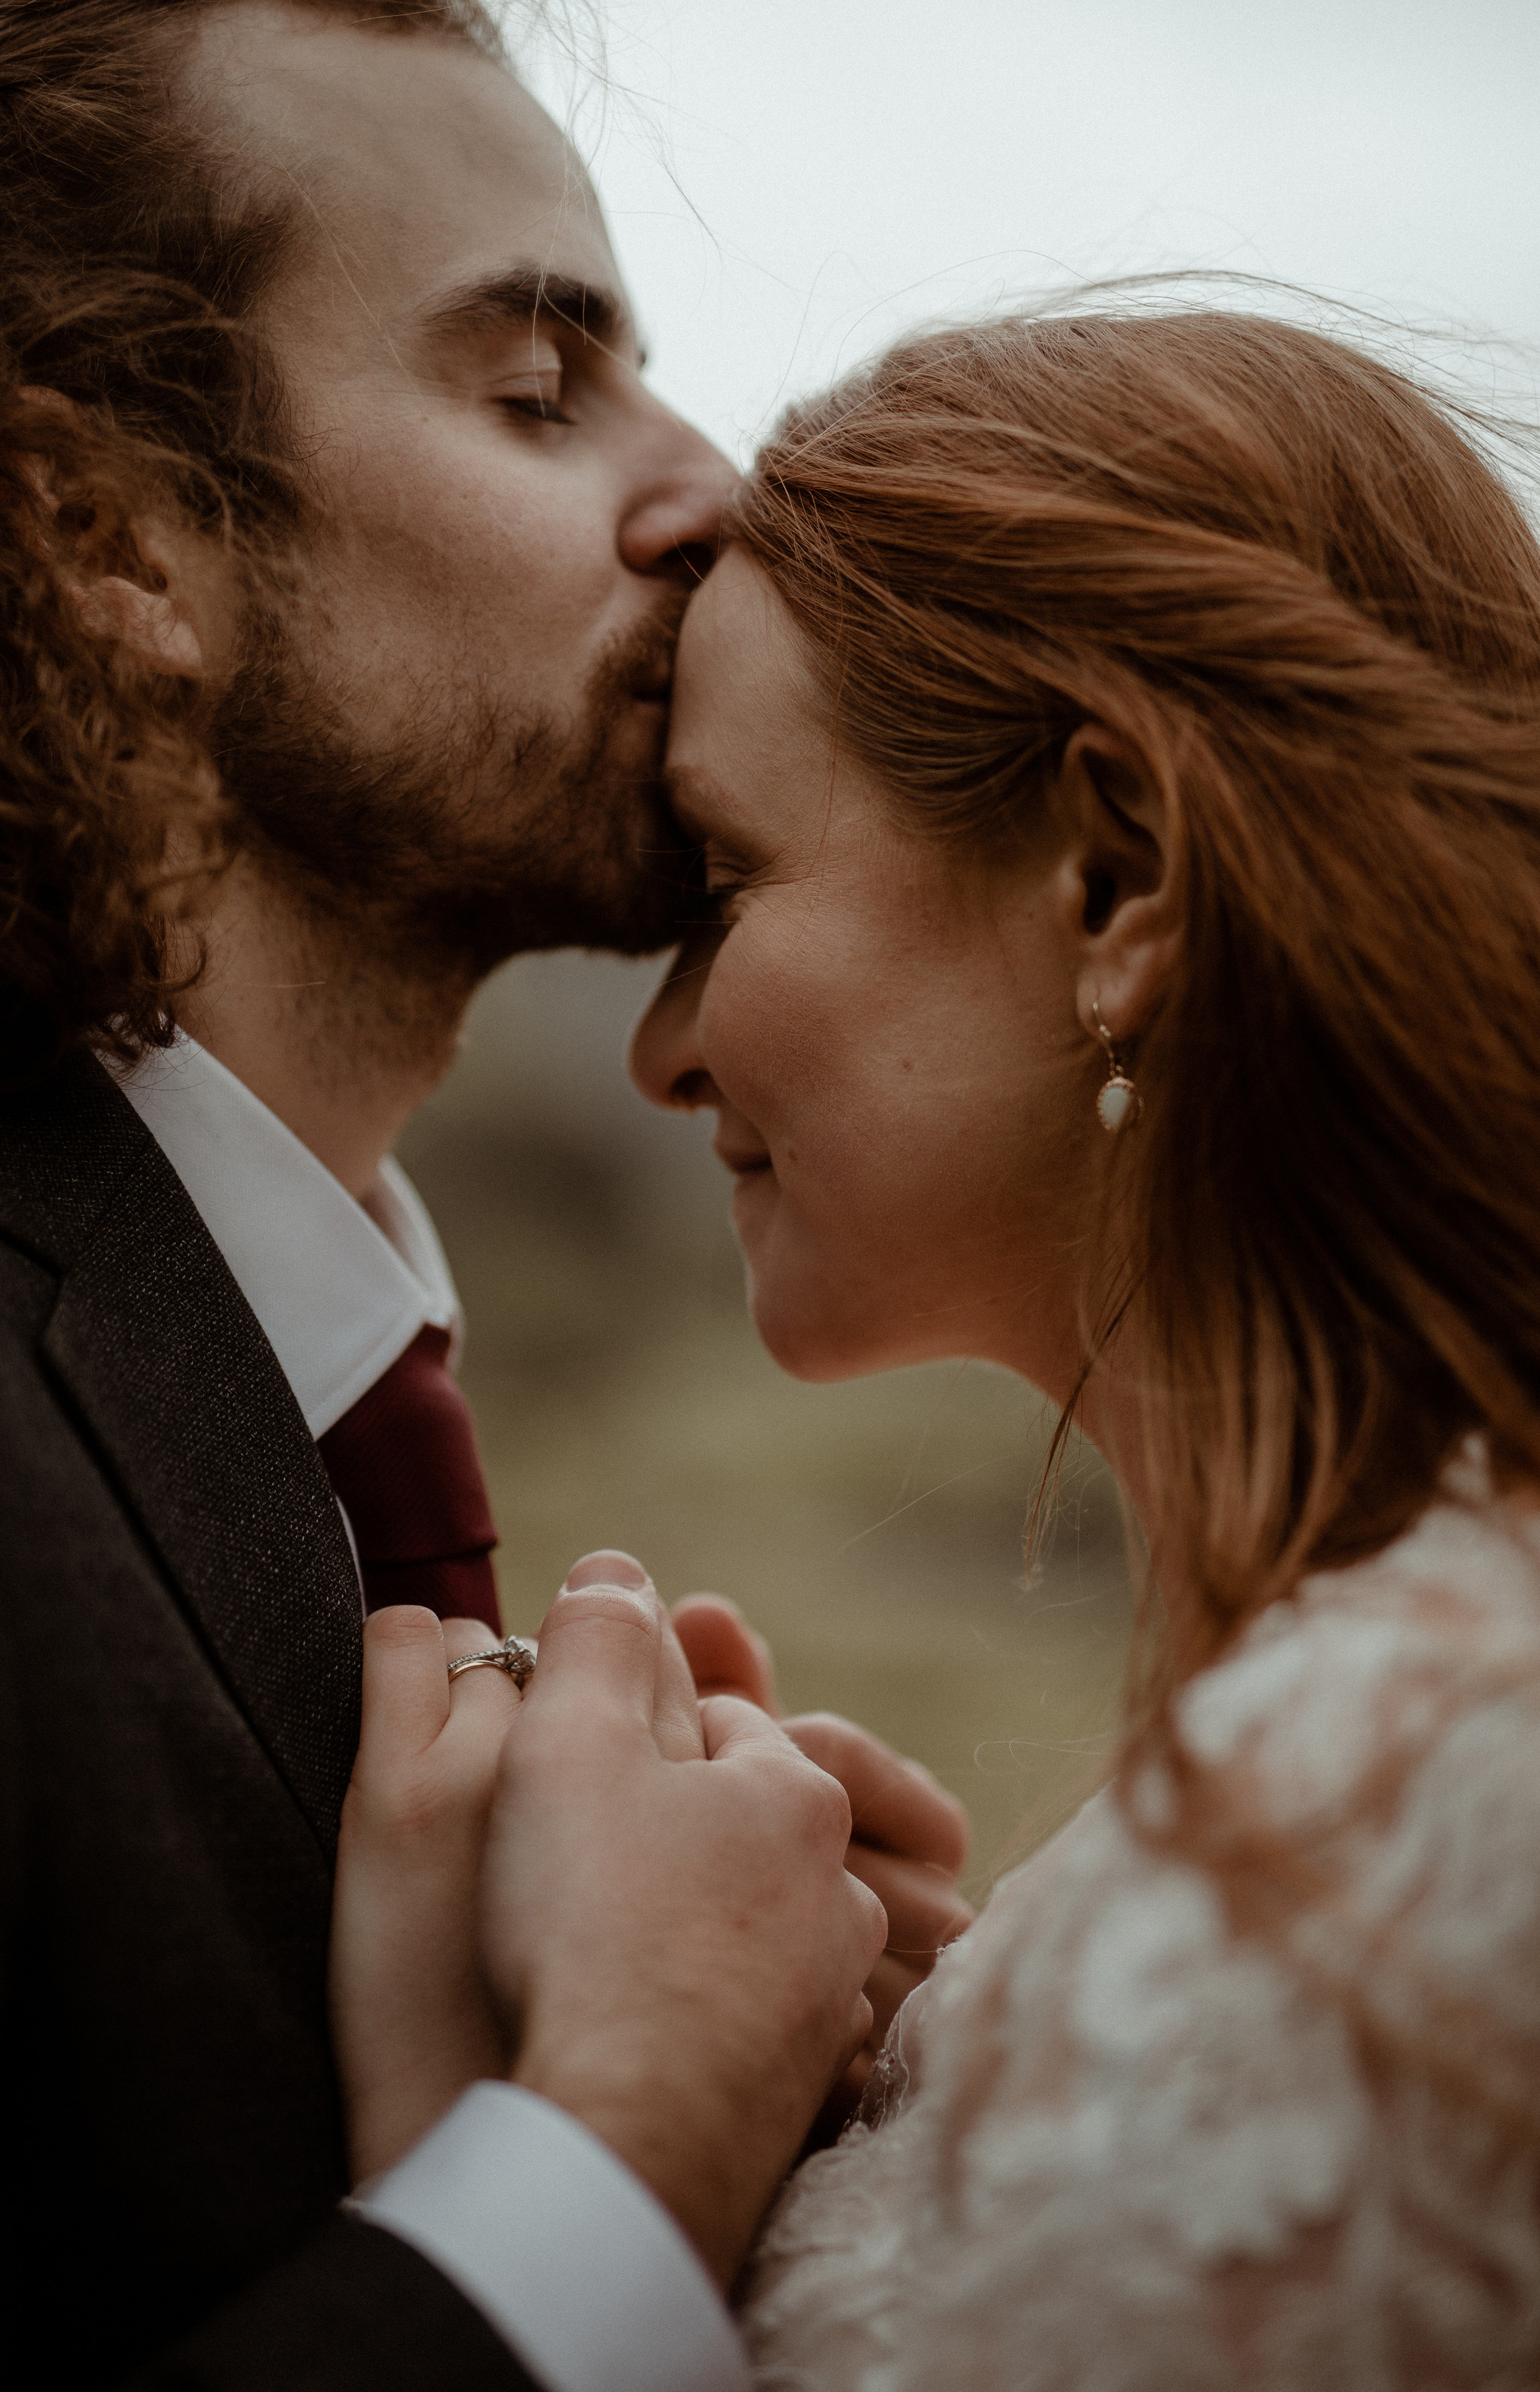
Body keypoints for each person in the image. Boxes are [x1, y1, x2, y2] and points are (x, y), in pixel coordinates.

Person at [0, 0, 970, 2392]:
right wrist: (629, 2129)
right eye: (542, 386)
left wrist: (760, 2073)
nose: (715, 491)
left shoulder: (250, 1360)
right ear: (108, 539)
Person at [620, 307, 1540, 2384]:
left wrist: (571, 2119)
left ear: (1115, 879)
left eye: (725, 875)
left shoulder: (1399, 1816)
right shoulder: (1333, 1790)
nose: (663, 1046)